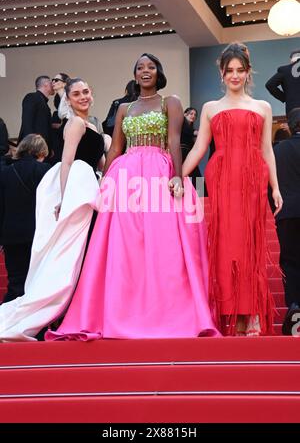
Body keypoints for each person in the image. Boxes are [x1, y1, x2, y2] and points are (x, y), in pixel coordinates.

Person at [45, 53, 220, 341]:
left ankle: (166, 312)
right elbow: (114, 148)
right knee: (125, 245)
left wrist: (177, 175)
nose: (145, 71)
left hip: (159, 174)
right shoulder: (125, 108)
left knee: (164, 244)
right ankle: (122, 311)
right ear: (135, 75)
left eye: (151, 67)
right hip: (125, 177)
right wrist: (104, 183)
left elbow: (176, 141)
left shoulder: (170, 102)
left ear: (158, 72)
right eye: (140, 67)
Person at [182, 43, 283, 336]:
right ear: (222, 73)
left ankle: (250, 314)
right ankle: (232, 314)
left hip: (253, 179)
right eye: (229, 71)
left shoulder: (262, 107)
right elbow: (200, 148)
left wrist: (274, 187)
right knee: (227, 246)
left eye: (240, 70)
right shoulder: (211, 108)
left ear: (248, 73)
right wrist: (178, 175)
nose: (235, 76)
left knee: (250, 246)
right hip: (222, 178)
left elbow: (267, 150)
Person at [0, 78, 104, 341]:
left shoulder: (91, 124)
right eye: (76, 93)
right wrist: (65, 197)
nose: (82, 96)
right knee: (67, 258)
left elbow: (100, 162)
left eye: (86, 91)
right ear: (67, 100)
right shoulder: (76, 124)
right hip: (76, 192)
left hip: (89, 188)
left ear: (91, 95)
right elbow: (67, 161)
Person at [0, 134, 50, 303]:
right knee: (36, 283)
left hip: (11, 236)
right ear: (41, 152)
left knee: (15, 283)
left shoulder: (5, 173)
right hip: (37, 236)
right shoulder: (45, 171)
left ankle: (6, 322)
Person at [273, 108, 300, 335]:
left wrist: (276, 210)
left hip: (288, 214)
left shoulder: (278, 151)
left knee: (290, 263)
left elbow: (270, 186)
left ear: (290, 127)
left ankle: (294, 307)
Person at [18, 76, 54, 153]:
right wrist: (31, 146)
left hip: (41, 148)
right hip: (32, 148)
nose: (53, 85)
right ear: (45, 84)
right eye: (51, 82)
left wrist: (49, 148)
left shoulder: (44, 103)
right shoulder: (32, 97)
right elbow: (27, 122)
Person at [265, 50, 300, 117]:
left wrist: (284, 98)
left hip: (294, 110)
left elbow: (270, 85)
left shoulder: (285, 70)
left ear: (291, 59)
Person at [181, 107, 201, 189]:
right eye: (191, 114)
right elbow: (192, 132)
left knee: (196, 175)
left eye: (195, 115)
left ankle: (201, 195)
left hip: (188, 153)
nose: (193, 116)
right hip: (182, 153)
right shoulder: (182, 124)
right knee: (194, 175)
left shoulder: (190, 128)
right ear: (185, 114)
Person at [51, 73, 70, 164]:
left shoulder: (69, 96)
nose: (53, 82)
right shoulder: (58, 99)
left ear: (64, 83)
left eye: (56, 80)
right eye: (53, 80)